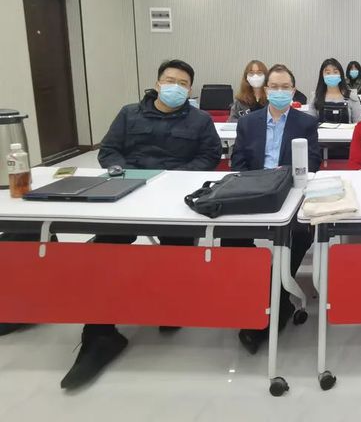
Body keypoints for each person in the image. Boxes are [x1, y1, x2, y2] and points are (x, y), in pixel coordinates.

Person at [59, 59, 222, 391]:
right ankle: (99, 334)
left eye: (183, 83)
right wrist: (125, 175)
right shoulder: (129, 114)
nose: (175, 87)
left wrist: (174, 178)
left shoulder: (200, 120)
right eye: (169, 80)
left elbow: (209, 156)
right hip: (128, 193)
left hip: (176, 198)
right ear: (158, 83)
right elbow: (109, 151)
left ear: (190, 89)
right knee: (105, 250)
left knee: (177, 251)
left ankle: (170, 305)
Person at [229, 64, 322, 353]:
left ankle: (275, 300)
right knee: (230, 236)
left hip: (289, 190)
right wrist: (256, 185)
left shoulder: (306, 123)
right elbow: (238, 162)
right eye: (275, 86)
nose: (279, 91)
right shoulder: (248, 122)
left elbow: (313, 163)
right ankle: (255, 294)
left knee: (300, 233)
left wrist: (284, 182)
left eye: (285, 87)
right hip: (253, 190)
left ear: (293, 91)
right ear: (266, 89)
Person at [307, 58, 361, 124]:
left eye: (335, 72)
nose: (332, 75)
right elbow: (310, 124)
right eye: (328, 73)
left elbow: (359, 125)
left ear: (341, 75)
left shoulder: (352, 97)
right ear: (322, 76)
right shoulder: (315, 97)